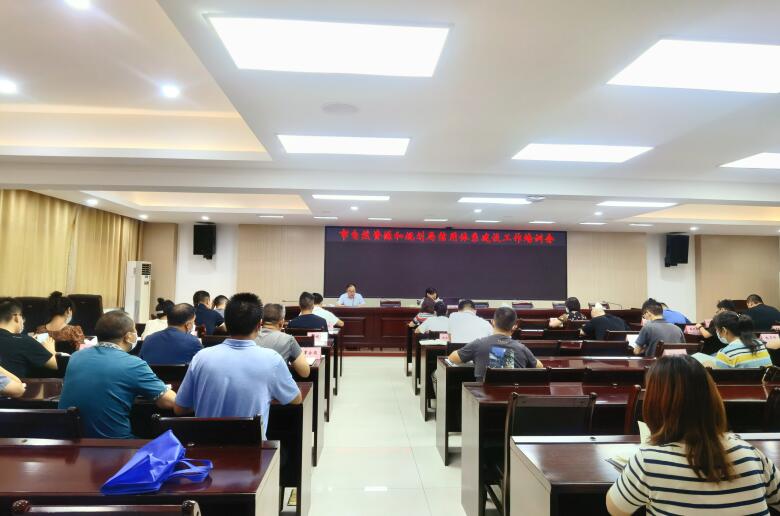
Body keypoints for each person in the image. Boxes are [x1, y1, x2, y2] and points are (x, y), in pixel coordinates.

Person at [606, 355, 780, 515]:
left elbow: (616, 510)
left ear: (654, 403)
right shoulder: (751, 454)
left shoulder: (648, 461)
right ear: (712, 398)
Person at [173, 293, 302, 435]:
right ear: (258, 325)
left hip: (205, 445)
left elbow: (179, 408)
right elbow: (295, 399)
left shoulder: (201, 357)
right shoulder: (272, 360)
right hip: (251, 446)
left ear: (226, 324)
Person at [58, 310, 176, 439]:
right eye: (135, 330)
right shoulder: (133, 364)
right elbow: (168, 402)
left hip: (71, 441)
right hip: (116, 444)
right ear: (129, 336)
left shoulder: (76, 357)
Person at [447, 306, 542, 380]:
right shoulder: (522, 348)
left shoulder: (479, 344)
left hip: (483, 396)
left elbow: (452, 358)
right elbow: (539, 367)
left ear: (492, 322)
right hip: (512, 397)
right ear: (514, 326)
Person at [0, 297, 57, 378]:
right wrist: (51, 350)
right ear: (16, 317)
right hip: (18, 385)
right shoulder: (24, 341)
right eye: (21, 316)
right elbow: (56, 365)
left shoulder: (25, 341)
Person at [255, 303, 310, 378]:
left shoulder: (251, 338)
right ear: (281, 323)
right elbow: (305, 372)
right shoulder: (288, 340)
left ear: (261, 322)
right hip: (276, 384)